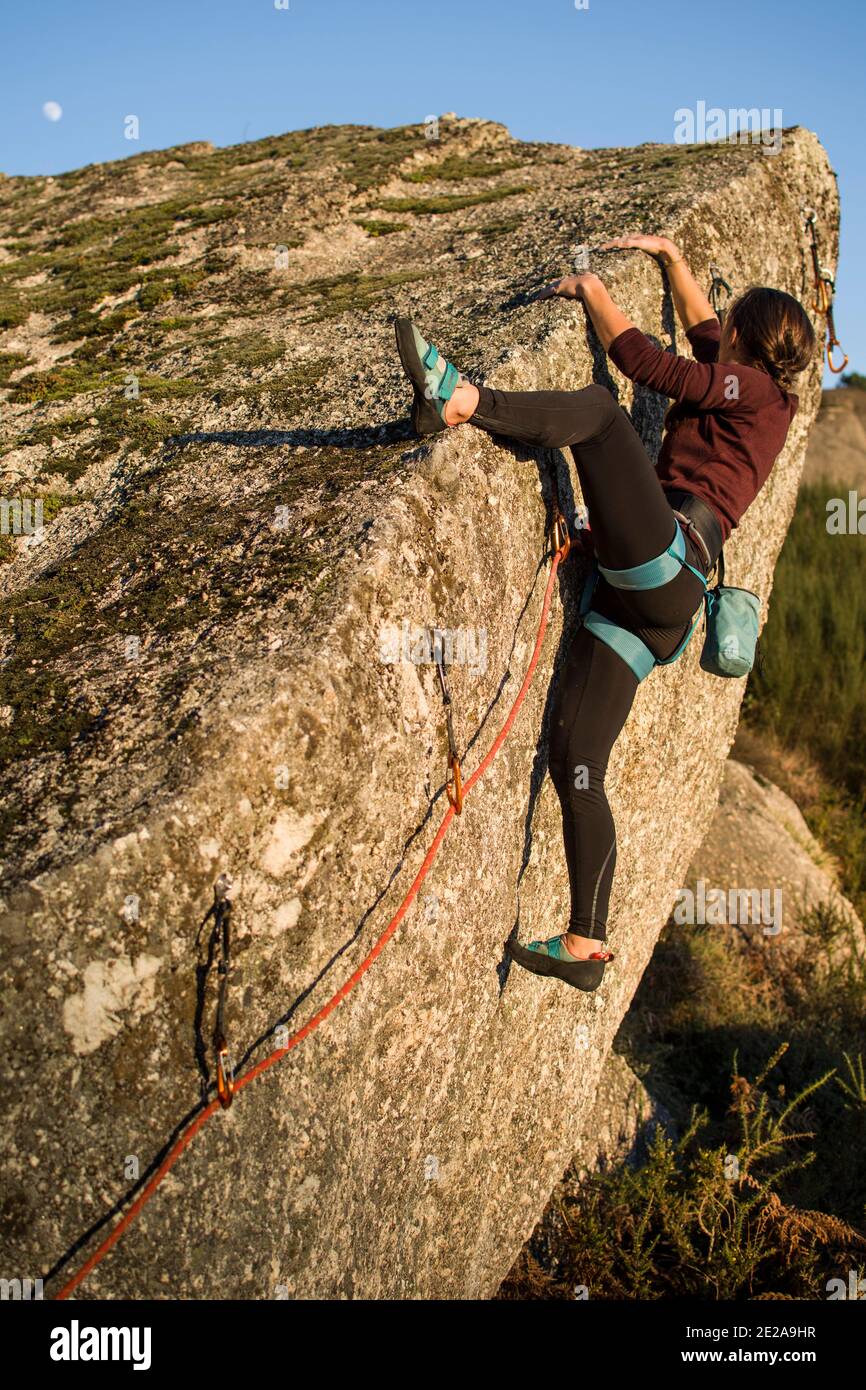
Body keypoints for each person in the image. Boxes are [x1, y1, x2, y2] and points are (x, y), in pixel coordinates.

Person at [394, 234, 816, 991]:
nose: (718, 326)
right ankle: (588, 942)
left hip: (668, 561)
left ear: (751, 346)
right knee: (577, 760)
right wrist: (668, 255)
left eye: (732, 326)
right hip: (653, 610)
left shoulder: (753, 394)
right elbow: (701, 327)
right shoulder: (753, 383)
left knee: (599, 414)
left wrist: (593, 289)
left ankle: (460, 400)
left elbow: (649, 366)